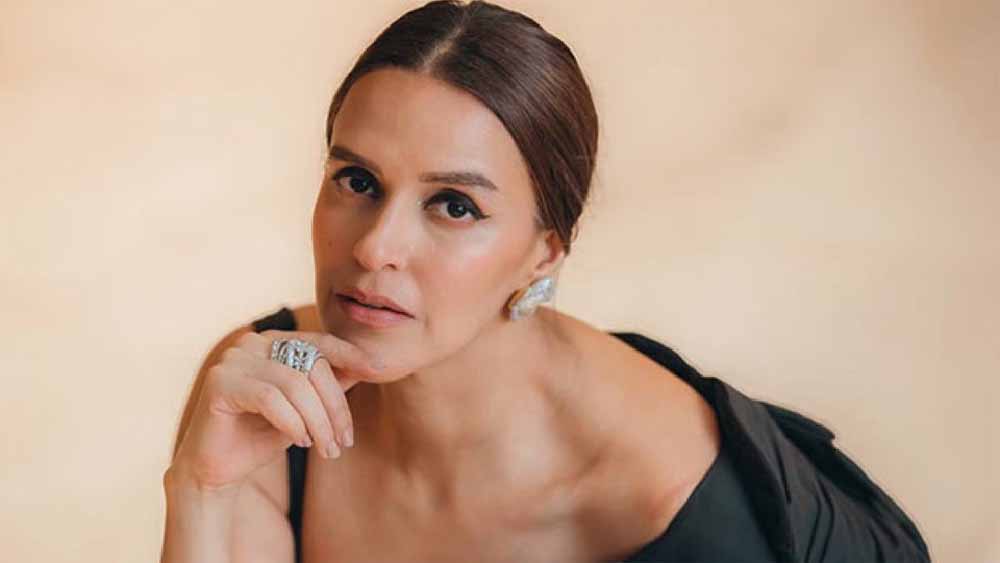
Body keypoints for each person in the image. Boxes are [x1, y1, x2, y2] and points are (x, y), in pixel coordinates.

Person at [160, 1, 931, 562]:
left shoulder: (667, 496)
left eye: (454, 205)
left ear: (544, 253)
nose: (376, 247)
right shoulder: (262, 389)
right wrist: (201, 491)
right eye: (357, 181)